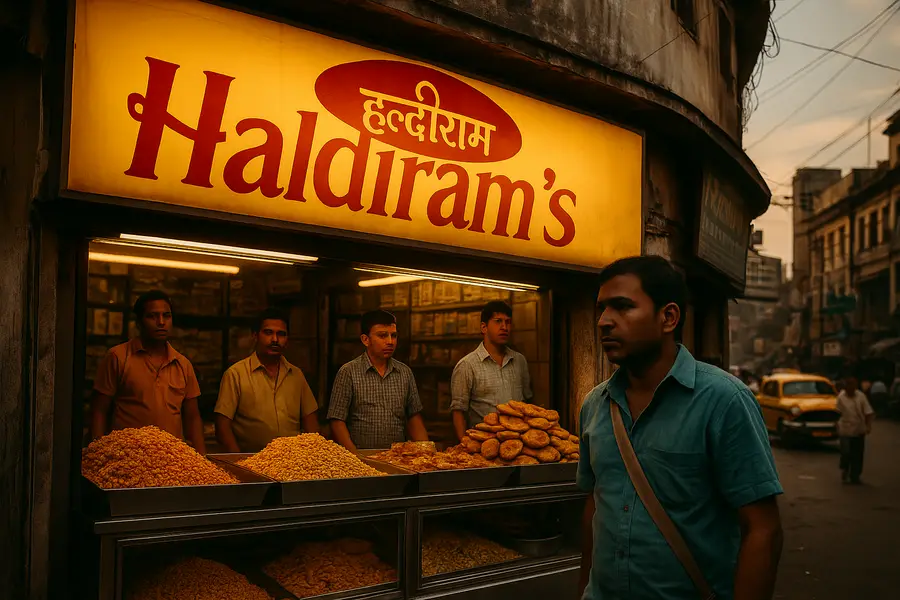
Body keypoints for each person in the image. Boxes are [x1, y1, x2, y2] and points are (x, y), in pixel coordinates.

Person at [578, 256, 783, 600]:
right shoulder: (595, 405)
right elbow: (594, 508)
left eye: (622, 307)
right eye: (601, 309)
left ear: (668, 317)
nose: (604, 322)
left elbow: (762, 529)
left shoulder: (724, 400)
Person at [90, 290, 206, 453]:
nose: (161, 322)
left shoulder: (183, 364)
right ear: (138, 323)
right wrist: (98, 451)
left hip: (172, 459)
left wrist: (202, 461)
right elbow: (99, 410)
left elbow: (192, 417)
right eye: (152, 316)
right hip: (128, 457)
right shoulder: (118, 357)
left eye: (166, 316)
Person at [214, 308, 319, 453]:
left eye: (281, 334)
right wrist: (239, 462)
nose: (275, 339)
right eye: (268, 333)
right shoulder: (235, 374)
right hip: (251, 462)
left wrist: (312, 455)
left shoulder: (296, 375)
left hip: (292, 464)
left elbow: (310, 421)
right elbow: (222, 426)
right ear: (255, 336)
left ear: (287, 340)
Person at [327, 310, 429, 451]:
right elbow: (337, 420)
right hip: (361, 458)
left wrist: (425, 451)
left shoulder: (404, 373)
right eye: (382, 336)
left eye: (393, 336)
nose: (390, 341)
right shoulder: (348, 372)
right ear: (365, 340)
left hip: (397, 457)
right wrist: (354, 456)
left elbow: (413, 417)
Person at [450, 300, 533, 440]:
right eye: (498, 321)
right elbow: (458, 412)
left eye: (508, 322)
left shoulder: (520, 361)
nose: (504, 327)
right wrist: (465, 446)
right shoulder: (467, 365)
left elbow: (529, 404)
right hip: (483, 444)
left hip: (518, 443)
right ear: (484, 327)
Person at [836, 374, 875, 485]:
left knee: (857, 454)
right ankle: (845, 468)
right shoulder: (841, 397)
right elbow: (836, 412)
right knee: (846, 452)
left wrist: (868, 426)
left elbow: (868, 412)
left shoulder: (861, 396)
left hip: (858, 429)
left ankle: (855, 476)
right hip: (845, 429)